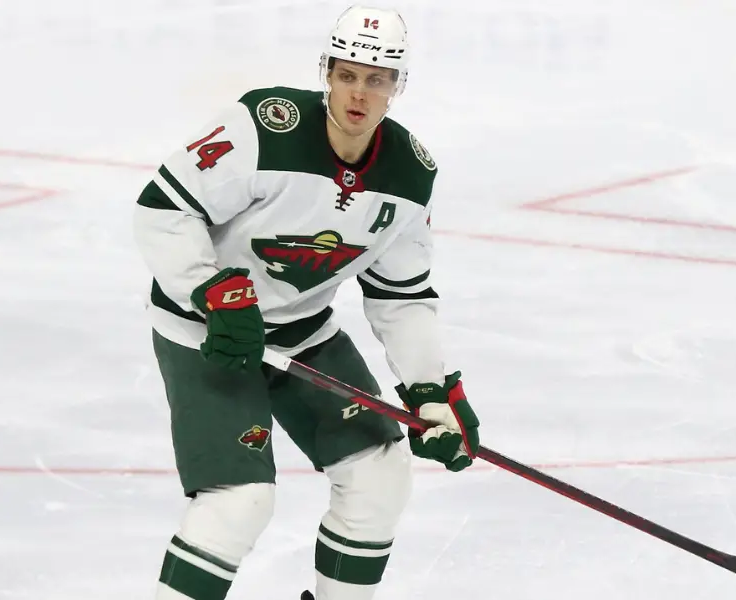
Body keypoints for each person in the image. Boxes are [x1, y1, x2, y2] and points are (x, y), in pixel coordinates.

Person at [133, 5, 481, 599]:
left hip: (301, 332)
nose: (359, 93)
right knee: (239, 502)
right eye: (348, 74)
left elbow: (401, 294)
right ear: (327, 72)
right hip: (207, 333)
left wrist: (431, 391)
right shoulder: (264, 127)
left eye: (376, 79)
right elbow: (163, 207)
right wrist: (212, 289)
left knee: (378, 473)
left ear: (397, 86)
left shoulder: (408, 174)